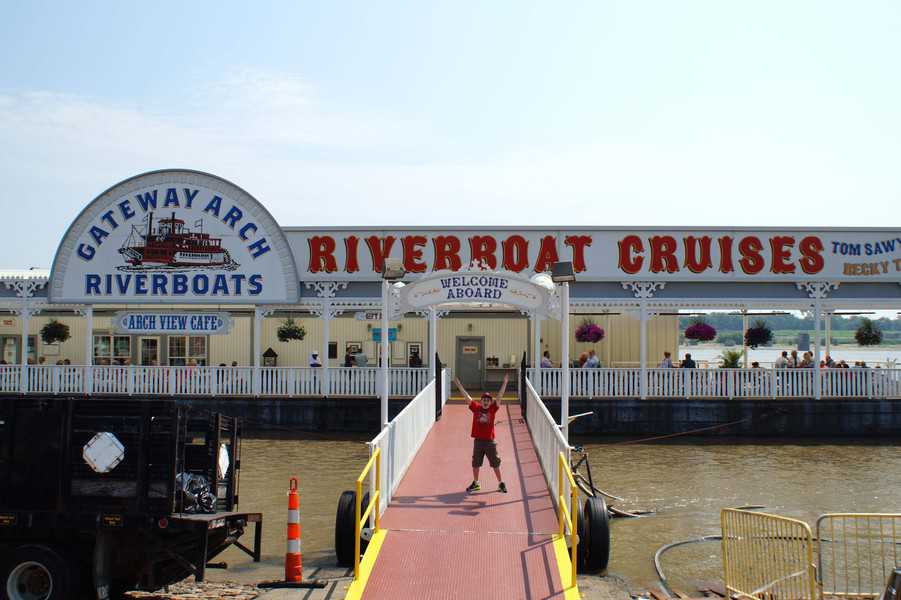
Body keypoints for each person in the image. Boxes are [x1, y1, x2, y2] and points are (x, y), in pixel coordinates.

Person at [454, 374, 508, 494]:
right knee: (476, 463)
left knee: (495, 463)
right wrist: (458, 385)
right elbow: (467, 397)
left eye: (488, 400)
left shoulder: (493, 409)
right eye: (484, 400)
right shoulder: (476, 408)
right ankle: (476, 483)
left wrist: (504, 383)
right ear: (481, 401)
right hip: (478, 441)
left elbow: (499, 397)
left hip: (490, 442)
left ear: (490, 402)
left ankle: (500, 483)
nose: (486, 402)